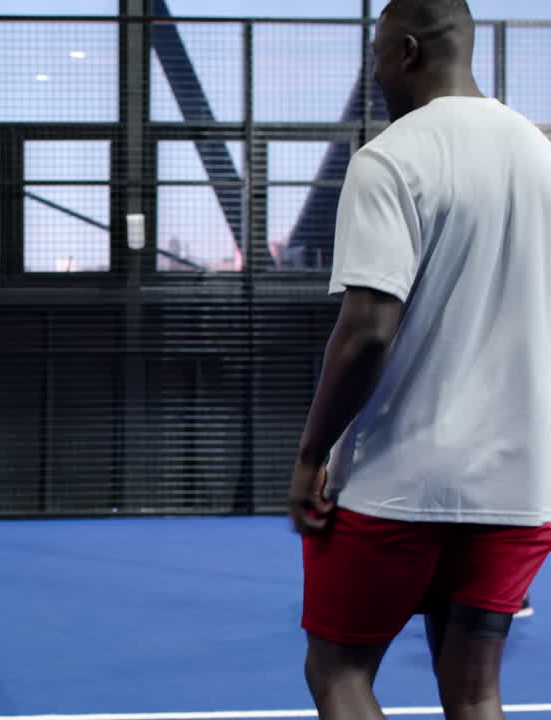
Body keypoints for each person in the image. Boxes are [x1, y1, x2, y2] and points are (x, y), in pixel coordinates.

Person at [287, 1, 551, 718]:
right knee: (475, 694)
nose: (373, 75)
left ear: (404, 50)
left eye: (374, 56)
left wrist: (312, 456)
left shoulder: (392, 158)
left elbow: (368, 331)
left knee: (339, 674)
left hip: (399, 481)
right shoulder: (541, 154)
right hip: (522, 484)